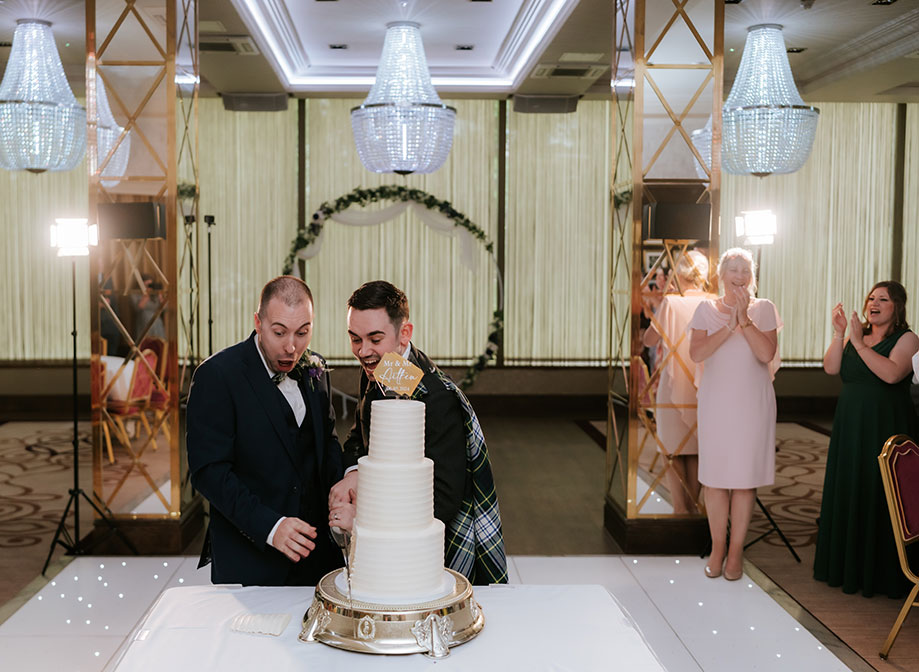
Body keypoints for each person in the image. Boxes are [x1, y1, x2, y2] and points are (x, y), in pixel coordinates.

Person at [328, 280, 507, 585]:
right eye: (355, 338)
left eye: (375, 338)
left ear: (405, 334)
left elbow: (444, 498)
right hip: (382, 553)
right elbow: (361, 435)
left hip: (428, 558)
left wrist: (364, 515)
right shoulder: (378, 366)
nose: (363, 351)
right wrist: (353, 471)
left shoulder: (437, 398)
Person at [186, 276, 343, 586]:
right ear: (258, 323)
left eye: (303, 332)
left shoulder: (316, 367)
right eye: (279, 332)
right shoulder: (217, 376)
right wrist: (270, 526)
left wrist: (344, 485)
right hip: (252, 555)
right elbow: (210, 472)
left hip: (318, 554)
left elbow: (327, 442)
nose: (291, 346)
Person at [814, 280, 919, 598]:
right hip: (850, 427)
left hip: (884, 426)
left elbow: (892, 374)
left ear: (897, 307)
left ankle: (884, 573)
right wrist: (839, 333)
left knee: (880, 492)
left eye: (883, 299)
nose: (873, 303)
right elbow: (831, 368)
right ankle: (850, 567)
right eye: (871, 298)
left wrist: (858, 343)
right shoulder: (856, 337)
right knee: (851, 486)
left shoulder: (908, 338)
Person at [689, 248, 781, 581]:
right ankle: (717, 547)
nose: (739, 275)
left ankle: (736, 551)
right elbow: (697, 352)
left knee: (743, 480)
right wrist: (728, 327)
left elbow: (765, 354)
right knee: (714, 480)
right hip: (716, 402)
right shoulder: (705, 309)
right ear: (722, 274)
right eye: (733, 269)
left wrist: (745, 321)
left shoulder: (764, 309)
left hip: (752, 403)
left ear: (752, 276)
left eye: (745, 270)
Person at [642, 250, 714, 514]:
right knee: (695, 448)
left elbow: (649, 340)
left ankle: (680, 510)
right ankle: (692, 508)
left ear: (678, 272)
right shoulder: (713, 301)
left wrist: (661, 305)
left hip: (673, 386)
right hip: (702, 385)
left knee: (671, 449)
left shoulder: (672, 303)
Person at [131, 274, 166, 341]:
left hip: (157, 323)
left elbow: (164, 308)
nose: (148, 286)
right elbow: (139, 307)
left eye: (150, 284)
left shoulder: (155, 295)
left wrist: (160, 295)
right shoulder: (135, 294)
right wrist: (146, 294)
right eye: (146, 285)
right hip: (144, 324)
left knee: (159, 344)